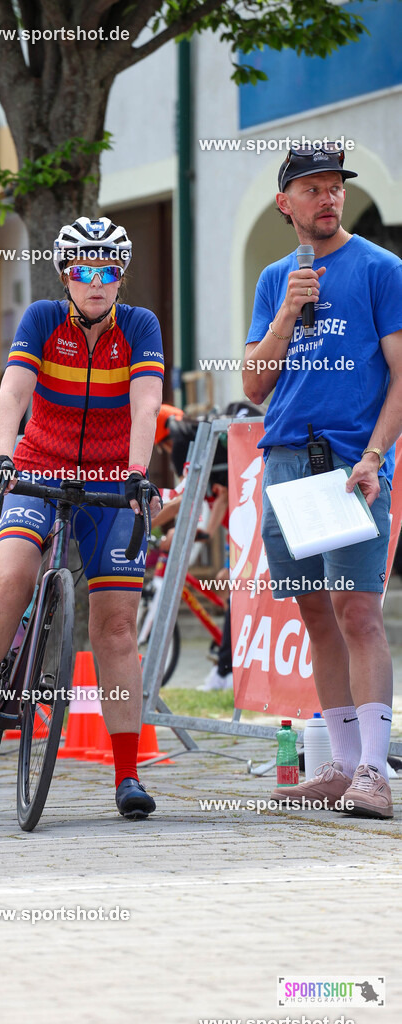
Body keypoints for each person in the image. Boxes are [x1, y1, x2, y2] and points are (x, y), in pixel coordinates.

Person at [0, 216, 164, 819]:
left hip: (112, 479)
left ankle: (127, 775)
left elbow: (146, 405)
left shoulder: (139, 326)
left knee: (116, 628)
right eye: (84, 270)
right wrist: (2, 457)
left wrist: (137, 473)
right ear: (67, 275)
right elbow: (14, 393)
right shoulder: (42, 319)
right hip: (38, 467)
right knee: (14, 574)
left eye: (108, 270)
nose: (97, 281)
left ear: (120, 278)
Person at [242, 142, 402, 819]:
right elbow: (254, 386)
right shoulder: (274, 279)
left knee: (358, 611)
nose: (328, 198)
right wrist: (285, 313)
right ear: (285, 203)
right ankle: (339, 764)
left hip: (348, 467)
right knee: (314, 612)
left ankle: (374, 771)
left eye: (335, 186)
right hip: (286, 463)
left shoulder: (381, 269)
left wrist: (374, 455)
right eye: (312, 188)